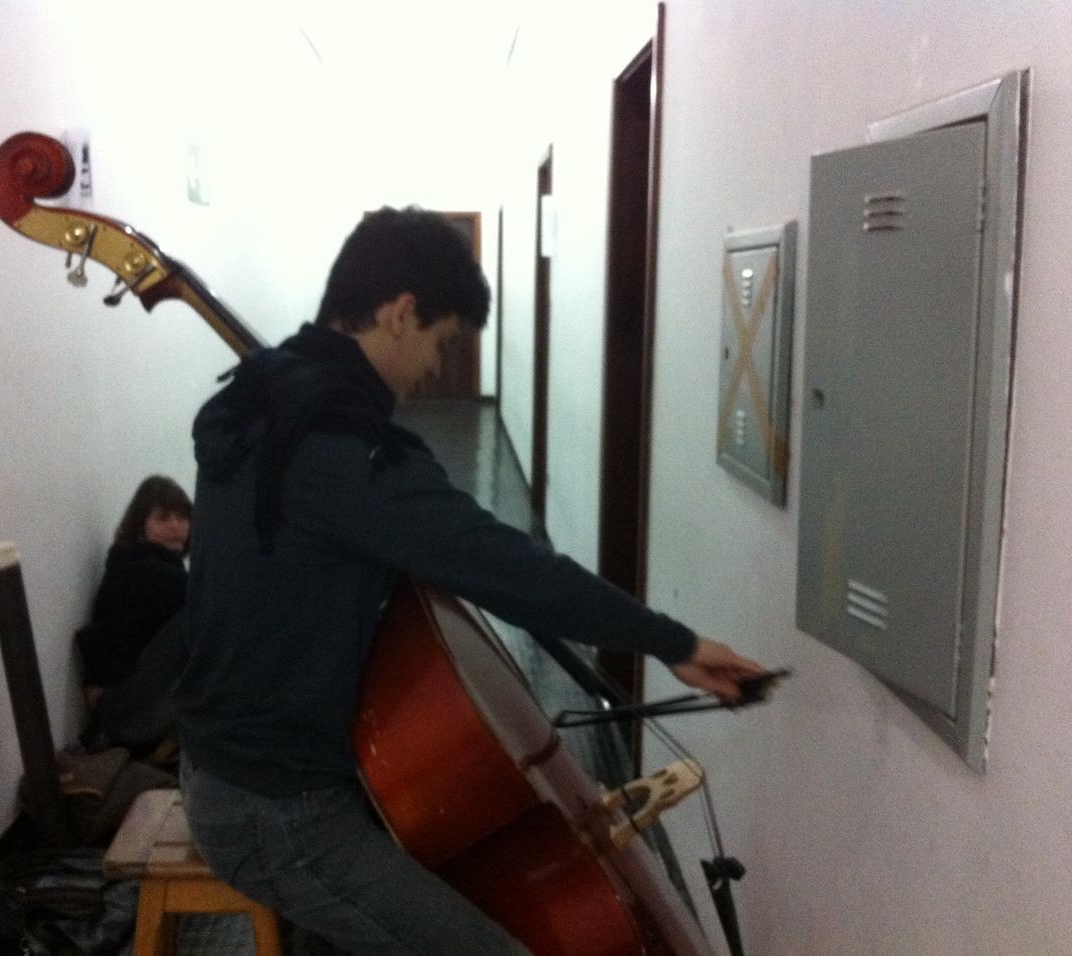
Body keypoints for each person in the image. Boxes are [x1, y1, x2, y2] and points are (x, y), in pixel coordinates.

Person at [174, 207, 766, 955]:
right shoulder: (347, 448)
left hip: (233, 765)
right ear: (399, 313)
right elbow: (507, 568)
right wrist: (671, 640)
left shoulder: (261, 397)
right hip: (278, 811)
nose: (432, 369)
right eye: (441, 342)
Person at [76, 475, 192, 756]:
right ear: (140, 526)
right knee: (202, 617)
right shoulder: (137, 569)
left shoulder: (159, 569)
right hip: (123, 715)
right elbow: (213, 598)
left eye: (182, 517)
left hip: (130, 706)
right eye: (163, 518)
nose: (176, 526)